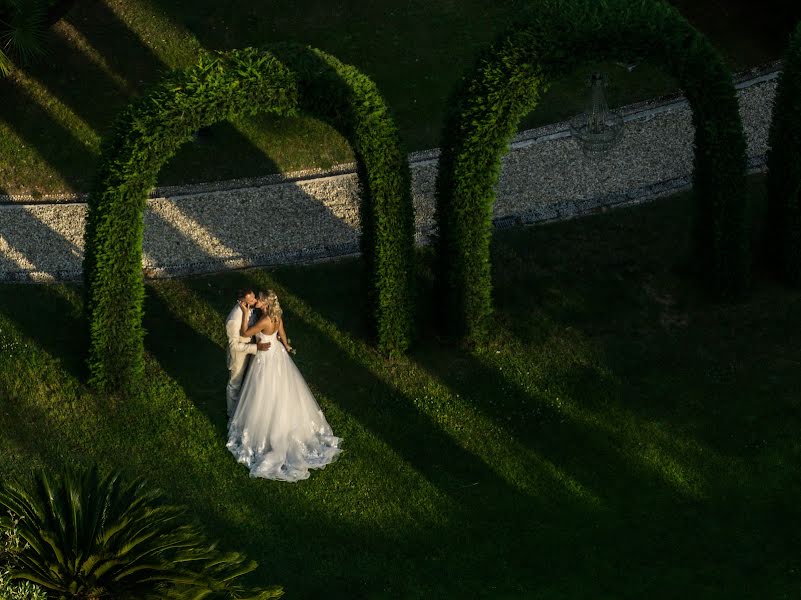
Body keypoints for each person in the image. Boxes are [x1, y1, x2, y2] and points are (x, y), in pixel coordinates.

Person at [226, 290, 341, 481]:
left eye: (259, 300)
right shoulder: (276, 315)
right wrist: (286, 345)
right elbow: (282, 331)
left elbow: (245, 333)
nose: (256, 302)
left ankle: (265, 428)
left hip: (265, 357)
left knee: (264, 392)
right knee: (284, 390)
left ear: (264, 304)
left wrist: (246, 315)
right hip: (278, 353)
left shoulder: (263, 321)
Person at [225, 288, 271, 418]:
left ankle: (244, 410)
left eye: (254, 297)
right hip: (238, 356)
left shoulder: (250, 309)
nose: (255, 301)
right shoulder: (233, 320)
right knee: (235, 384)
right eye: (251, 300)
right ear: (241, 301)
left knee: (248, 382)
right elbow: (234, 346)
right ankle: (231, 414)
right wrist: (256, 347)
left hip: (251, 351)